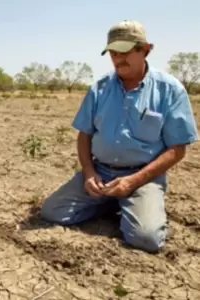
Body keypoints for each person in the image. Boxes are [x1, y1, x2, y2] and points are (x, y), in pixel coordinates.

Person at [41, 20, 199, 253]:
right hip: (101, 173)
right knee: (52, 212)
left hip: (143, 177)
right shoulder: (99, 88)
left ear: (145, 49)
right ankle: (110, 202)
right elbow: (84, 135)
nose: (118, 58)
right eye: (113, 52)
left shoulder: (169, 90)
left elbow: (178, 149)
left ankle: (134, 204)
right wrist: (88, 172)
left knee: (146, 239)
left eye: (125, 51)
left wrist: (133, 181)